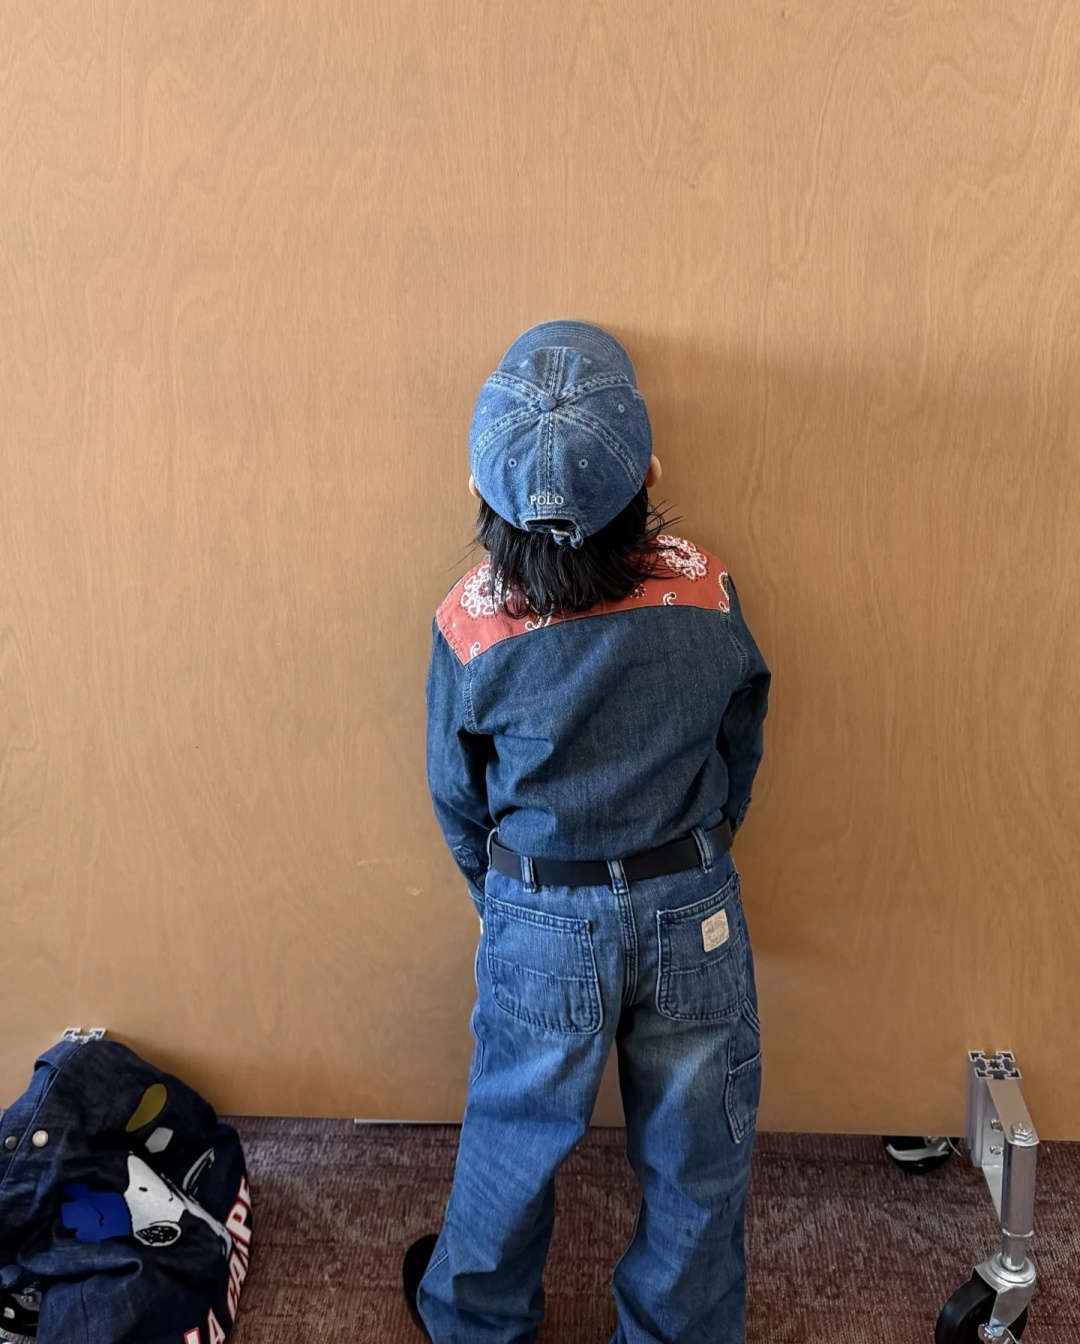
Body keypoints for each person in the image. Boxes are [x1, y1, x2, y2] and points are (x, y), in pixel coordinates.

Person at [404, 321, 771, 1344]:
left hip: (540, 908)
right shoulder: (705, 587)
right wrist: (709, 841)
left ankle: (476, 1323)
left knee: (513, 1137)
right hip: (690, 898)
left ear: (478, 496)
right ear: (650, 476)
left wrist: (499, 899)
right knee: (700, 1154)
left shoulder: (469, 624)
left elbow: (455, 791)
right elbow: (742, 728)